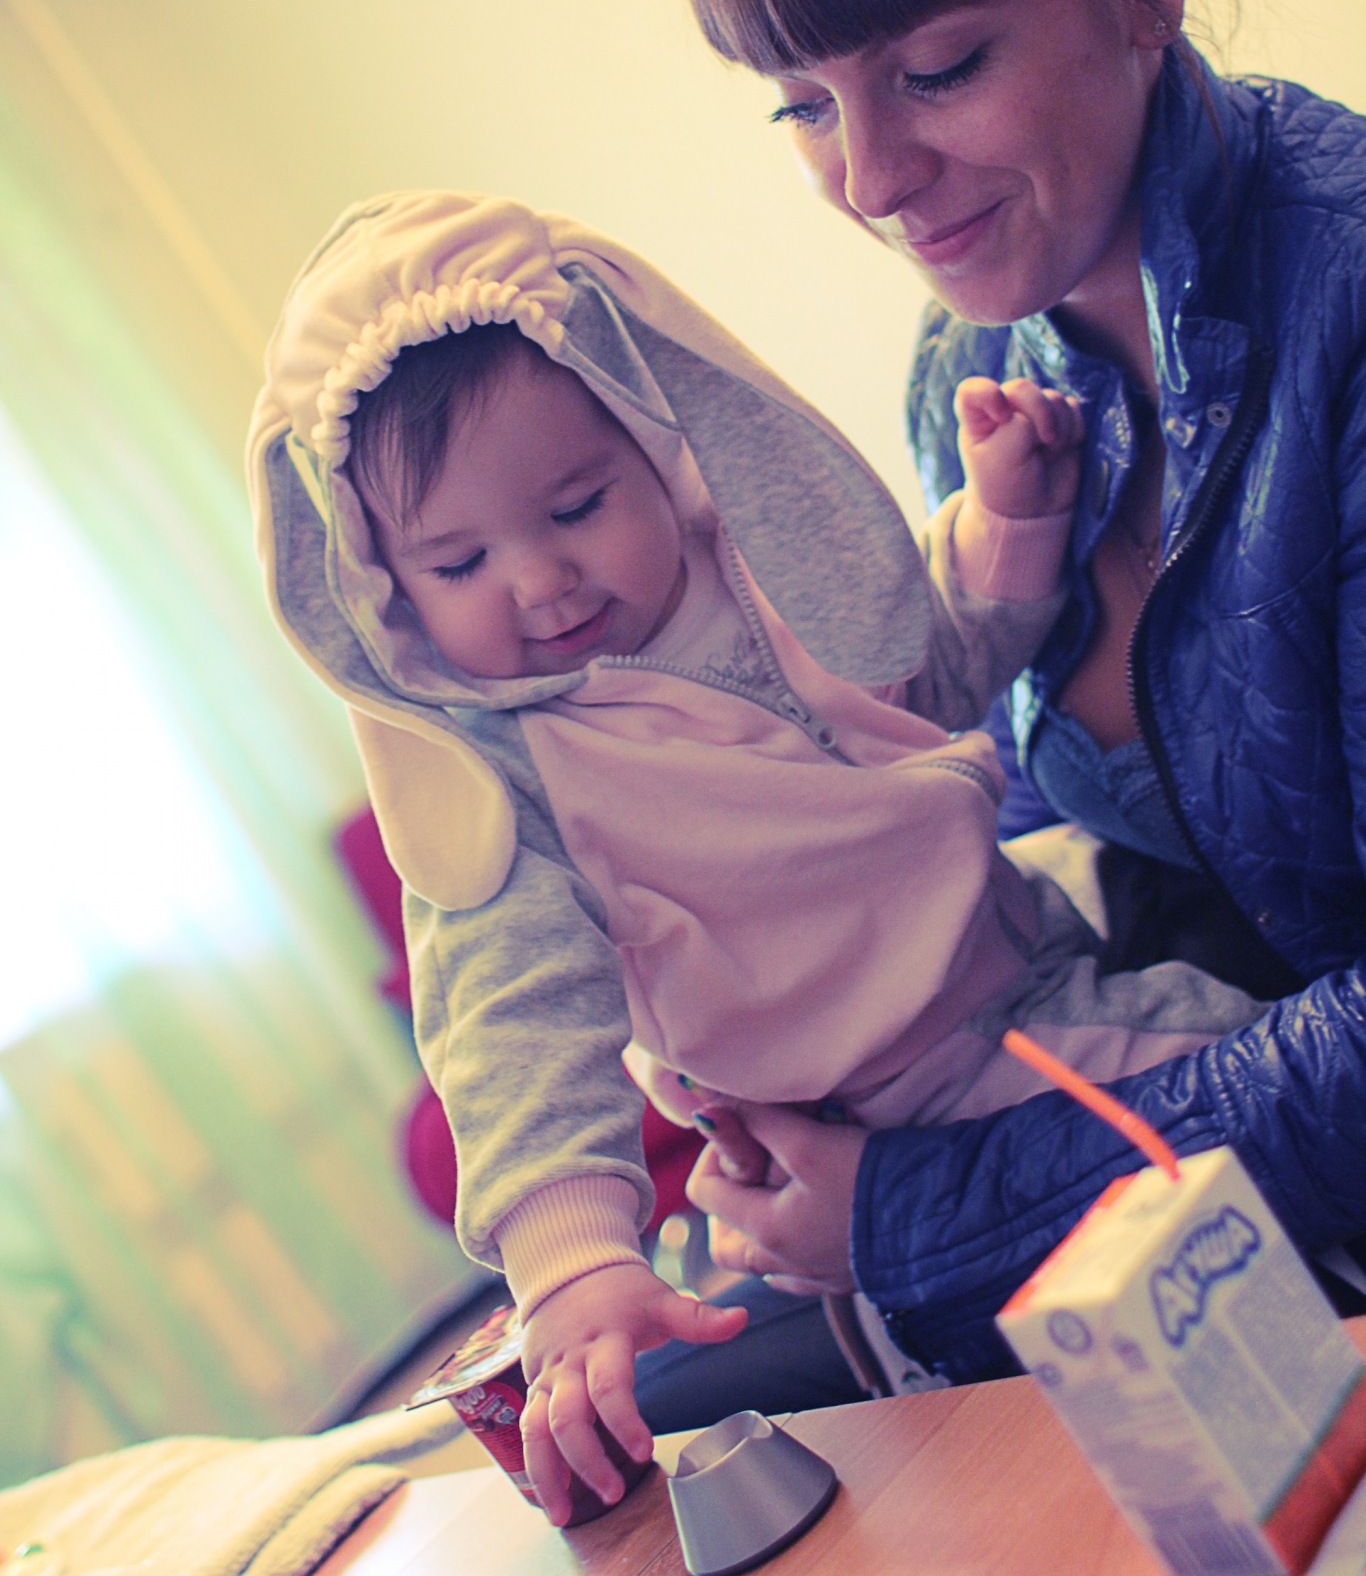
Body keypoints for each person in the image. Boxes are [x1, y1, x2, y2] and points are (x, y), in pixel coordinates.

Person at [250, 189, 1258, 1516]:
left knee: (1236, 1095)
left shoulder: (765, 572)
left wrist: (1005, 523)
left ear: (653, 442)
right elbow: (512, 1023)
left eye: (576, 505)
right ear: (383, 598)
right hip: (865, 1111)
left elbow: (927, 674)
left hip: (1022, 988)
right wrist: (573, 1264)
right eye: (459, 562)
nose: (541, 580)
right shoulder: (510, 782)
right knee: (1148, 1205)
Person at [671, 0, 1366, 1398]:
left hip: (1289, 1170)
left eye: (935, 68)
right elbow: (962, 792)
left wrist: (915, 1207)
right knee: (647, 1395)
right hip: (1202, 1137)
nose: (868, 180)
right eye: (802, 104)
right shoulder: (977, 368)